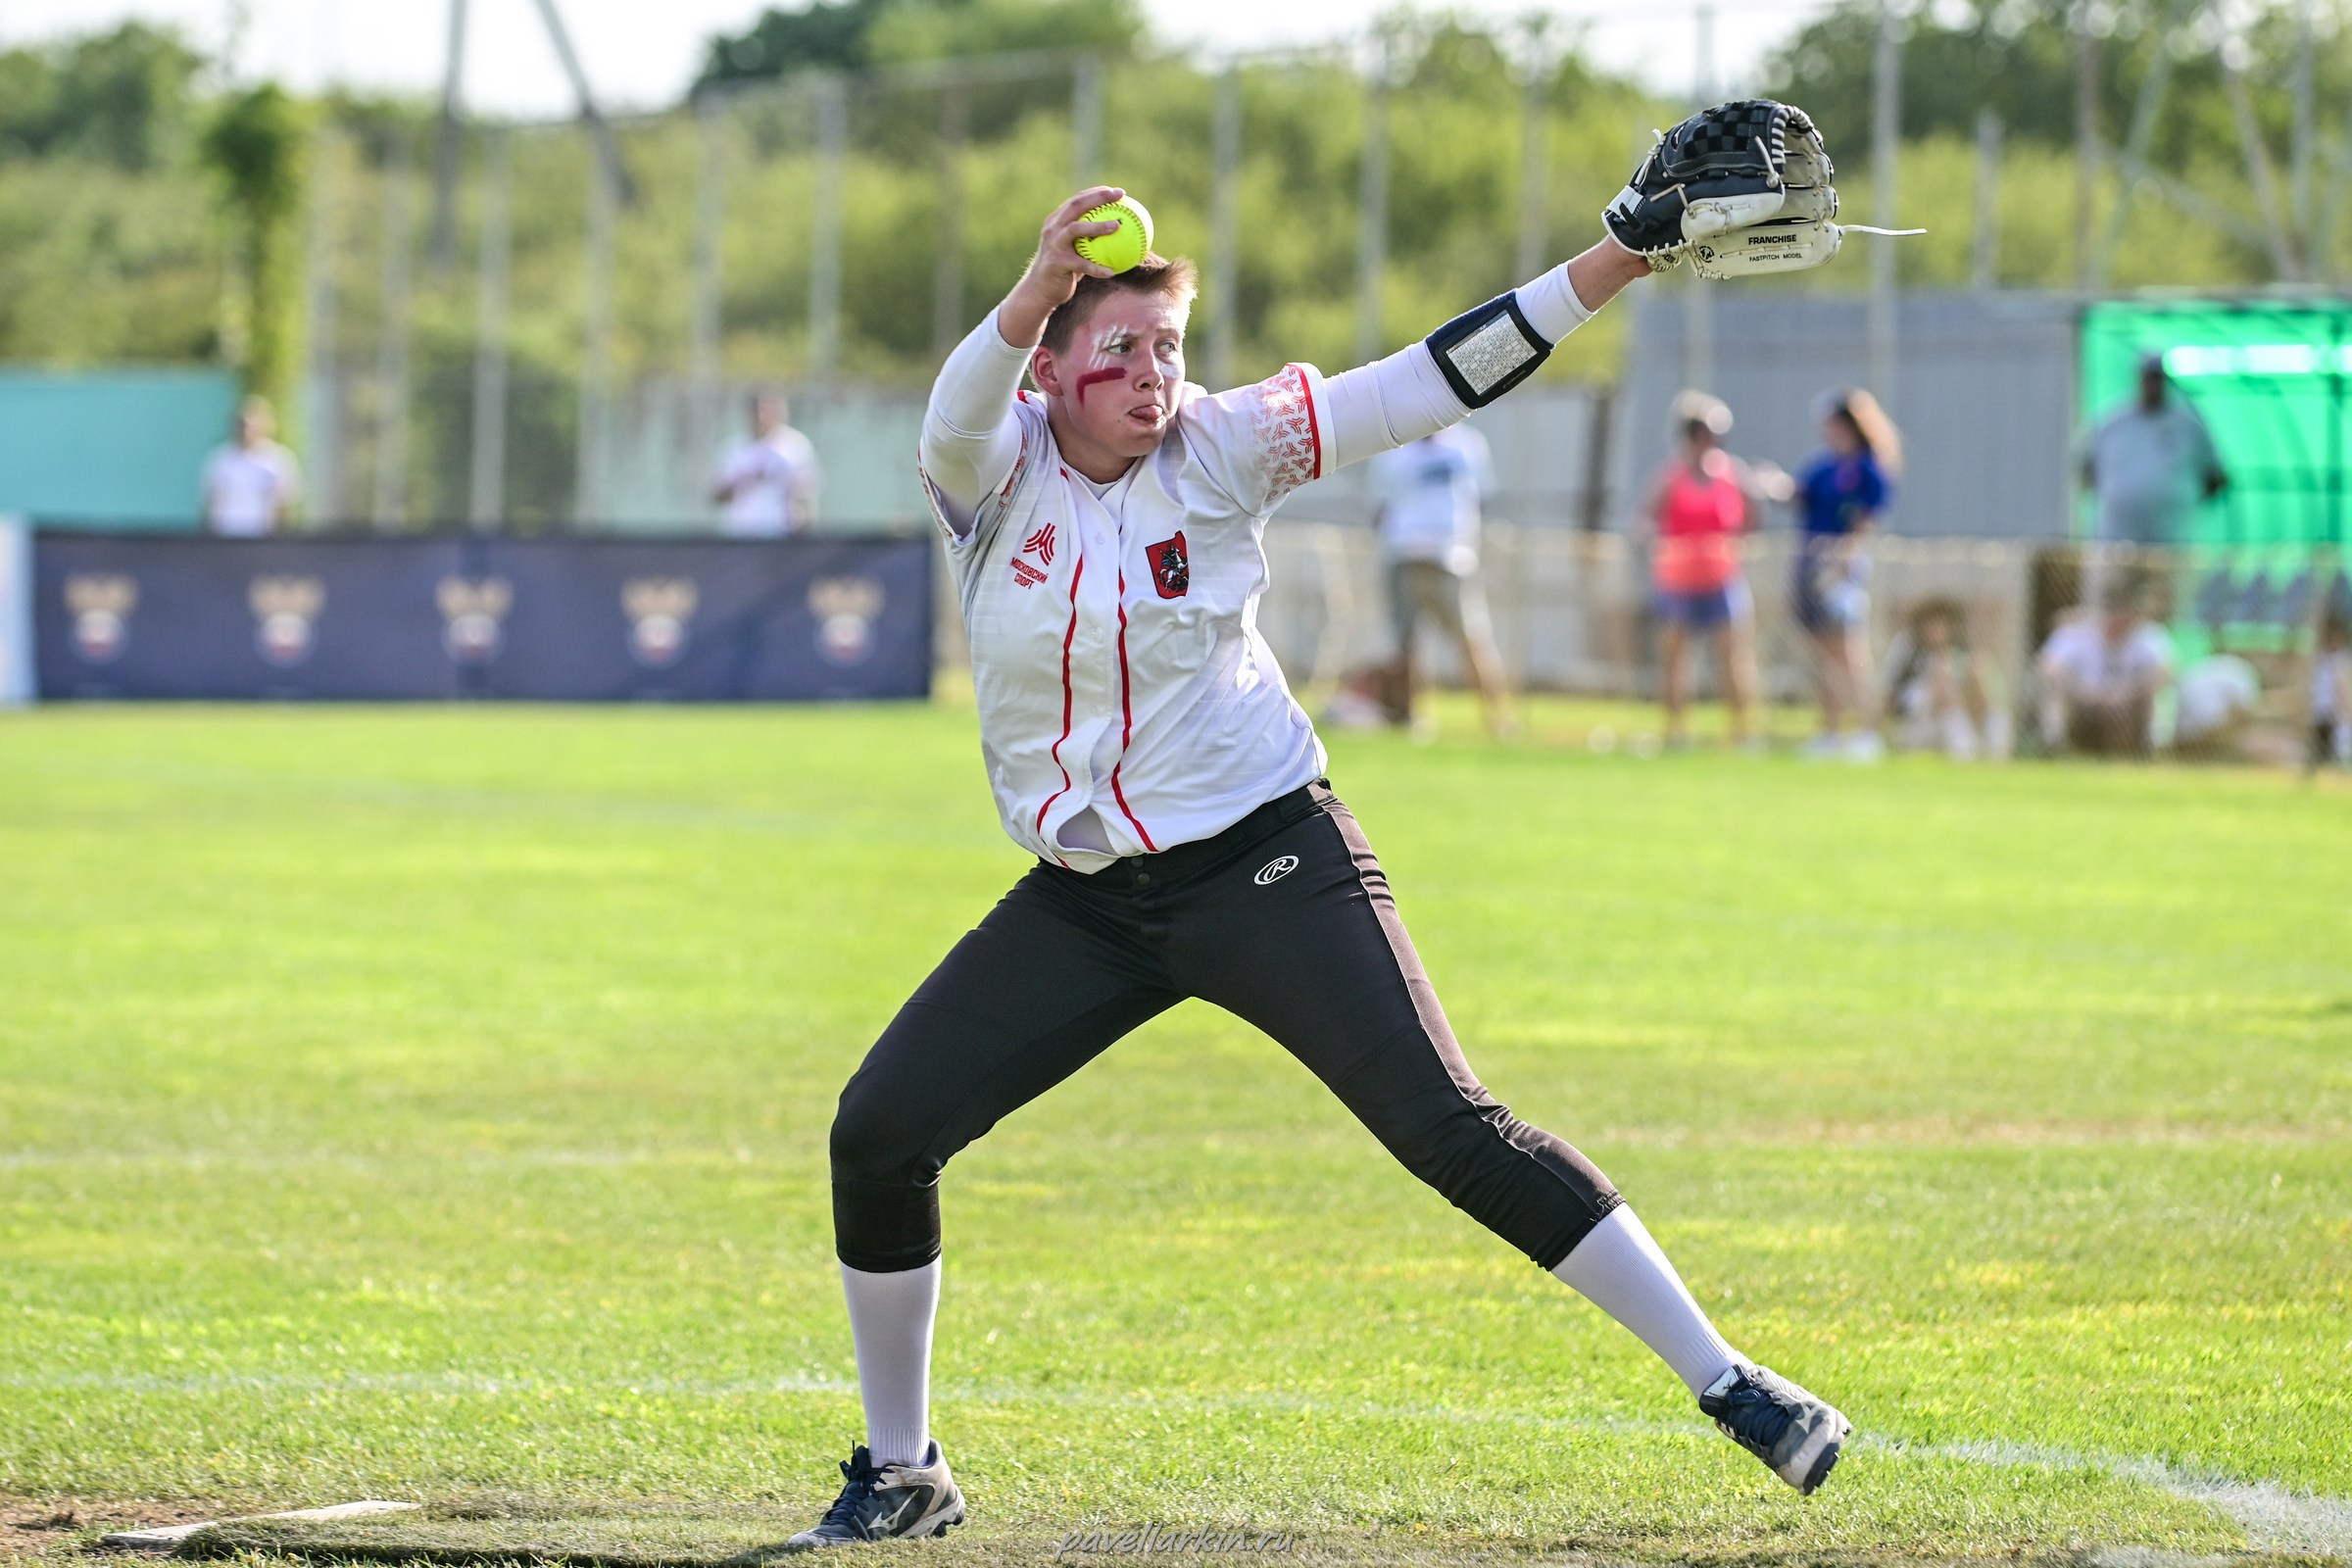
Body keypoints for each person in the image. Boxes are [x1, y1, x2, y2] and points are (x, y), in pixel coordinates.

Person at [789, 175, 1851, 1552]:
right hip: (1094, 902)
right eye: (1115, 350)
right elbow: (957, 403)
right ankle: (902, 1469)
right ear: (1045, 367)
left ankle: (1732, 1382)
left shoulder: (1220, 448)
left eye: (1165, 348)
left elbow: (1429, 381)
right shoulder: (992, 473)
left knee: (1450, 1129)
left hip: (1267, 862)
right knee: (880, 1131)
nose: (1150, 373)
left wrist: (1622, 257)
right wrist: (1041, 278)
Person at [1642, 391, 1780, 749]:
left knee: (1733, 660)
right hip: (1678, 583)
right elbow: (1644, 519)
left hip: (1722, 580)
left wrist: (1739, 544)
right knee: (1675, 661)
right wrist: (1654, 542)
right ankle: (1676, 733)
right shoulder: (1671, 477)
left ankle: (1742, 734)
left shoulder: (1732, 474)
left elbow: (1753, 520)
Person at [1364, 424, 1513, 738]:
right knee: (1405, 644)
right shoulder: (1391, 449)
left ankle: (1498, 720)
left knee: (1472, 637)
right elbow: (1379, 508)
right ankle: (1411, 719)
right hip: (1404, 555)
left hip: (1452, 557)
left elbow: (1479, 497)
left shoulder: (1468, 444)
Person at [1790, 388, 1898, 760]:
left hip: (1841, 571)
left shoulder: (1867, 467)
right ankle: (1830, 731)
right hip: (1811, 565)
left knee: (1848, 651)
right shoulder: (1824, 466)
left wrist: (1842, 559)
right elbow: (1799, 495)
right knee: (1826, 654)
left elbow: (1865, 520)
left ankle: (1868, 731)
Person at [2080, 352, 2227, 551]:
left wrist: (2175, 499)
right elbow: (2086, 469)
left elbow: (2215, 477)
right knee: (2116, 581)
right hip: (2117, 542)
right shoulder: (2113, 423)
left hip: (2172, 541)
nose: (2152, 383)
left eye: (2157, 377)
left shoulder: (2189, 427)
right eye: (2148, 376)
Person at [2035, 578, 2175, 757]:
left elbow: (2166, 671)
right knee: (2054, 691)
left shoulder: (2149, 635)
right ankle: (2053, 745)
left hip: (2130, 699)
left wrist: (2129, 692)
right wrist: (2082, 691)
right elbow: (2048, 666)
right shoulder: (2077, 631)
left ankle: (2156, 747)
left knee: (2162, 693)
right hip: (2082, 697)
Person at [1884, 598, 2006, 760]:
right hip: (1916, 718)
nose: (1937, 630)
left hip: (1955, 714)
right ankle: (1966, 750)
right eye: (1932, 624)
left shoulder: (1959, 655)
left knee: (1990, 704)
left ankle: (1992, 752)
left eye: (1942, 624)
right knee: (1945, 690)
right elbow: (1890, 696)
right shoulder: (1909, 652)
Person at [710, 390, 822, 537]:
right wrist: (744, 480)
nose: (762, 416)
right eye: (757, 409)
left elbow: (805, 493)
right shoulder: (734, 449)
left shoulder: (795, 446)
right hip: (740, 536)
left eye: (768, 409)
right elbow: (717, 497)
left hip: (780, 536)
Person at [201, 397, 301, 536]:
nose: (247, 431)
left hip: (263, 539)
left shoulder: (279, 460)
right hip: (227, 538)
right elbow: (211, 502)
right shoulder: (221, 459)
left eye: (252, 425)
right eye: (243, 425)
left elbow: (285, 506)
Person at [2310, 611, 2352, 770]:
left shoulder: (2343, 660)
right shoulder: (2318, 660)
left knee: (2344, 729)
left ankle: (2343, 761)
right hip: (2319, 710)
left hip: (2339, 710)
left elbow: (2345, 690)